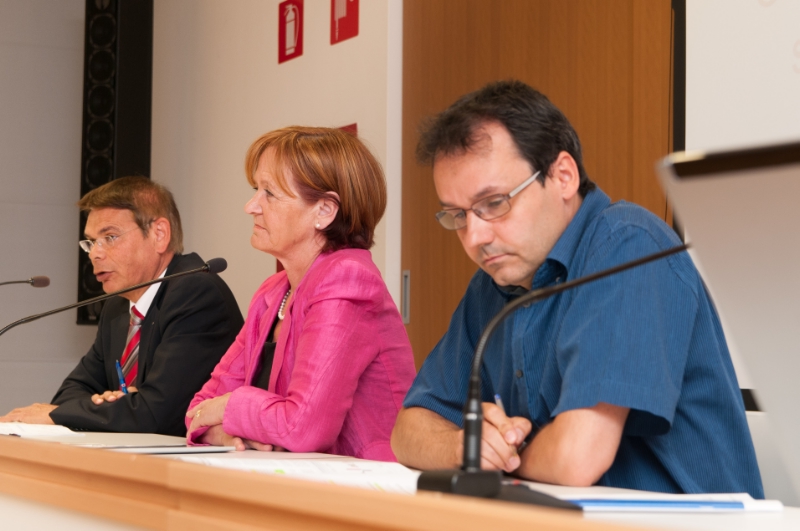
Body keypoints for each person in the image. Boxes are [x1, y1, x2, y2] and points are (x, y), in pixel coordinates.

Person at [391, 80, 763, 497]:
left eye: (494, 203)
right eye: (458, 216)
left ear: (563, 176)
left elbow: (577, 458)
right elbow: (408, 430)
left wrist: (504, 455)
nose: (475, 237)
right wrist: (465, 447)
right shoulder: (492, 285)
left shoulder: (629, 246)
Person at [185, 126, 416, 460]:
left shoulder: (347, 279)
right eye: (255, 189)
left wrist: (230, 407)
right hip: (292, 476)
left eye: (269, 193)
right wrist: (226, 433)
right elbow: (197, 410)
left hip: (365, 483)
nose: (251, 206)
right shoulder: (273, 292)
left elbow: (303, 428)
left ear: (324, 211)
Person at [0, 177, 243, 436]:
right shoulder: (117, 308)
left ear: (159, 235)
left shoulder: (195, 293)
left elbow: (156, 414)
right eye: (91, 242)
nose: (95, 254)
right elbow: (69, 394)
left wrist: (104, 409)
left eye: (110, 237)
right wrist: (117, 405)